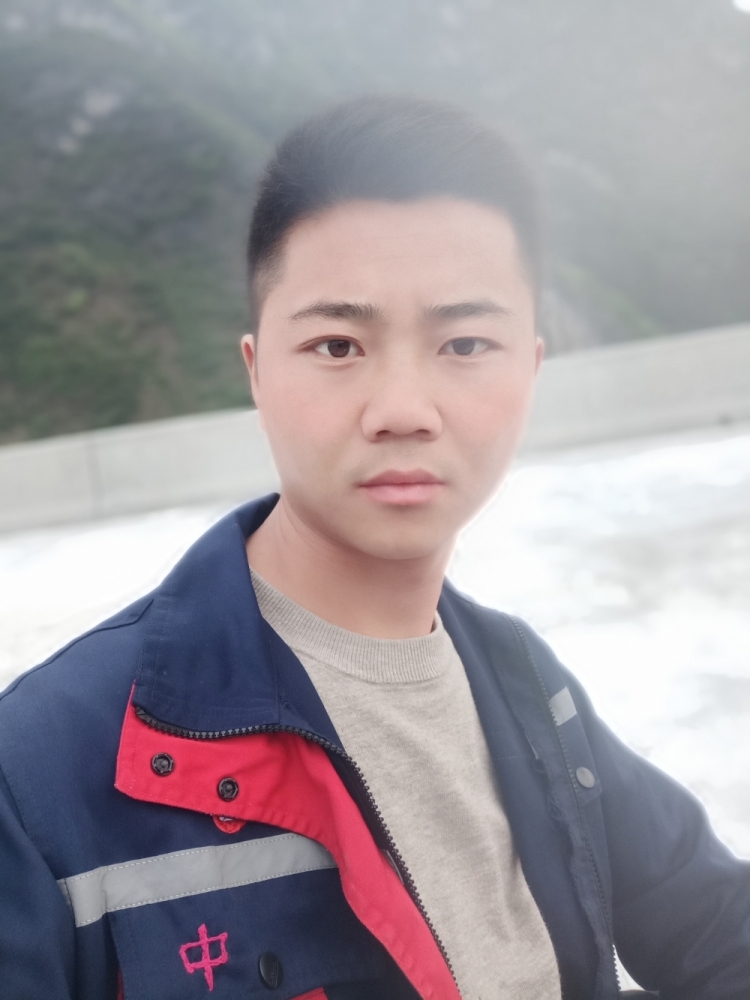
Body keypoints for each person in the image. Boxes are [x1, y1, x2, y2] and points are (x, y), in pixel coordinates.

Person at [0, 96, 747, 1000]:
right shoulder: (42, 772)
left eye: (464, 342)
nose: (402, 409)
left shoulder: (527, 687)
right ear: (257, 372)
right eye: (338, 345)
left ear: (530, 368)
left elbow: (718, 926)